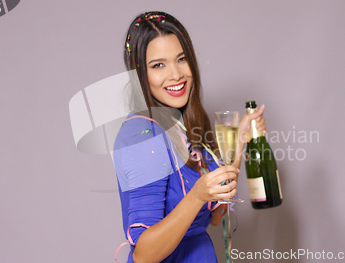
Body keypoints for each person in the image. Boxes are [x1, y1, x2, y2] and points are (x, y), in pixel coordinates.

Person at [113, 11, 267, 263]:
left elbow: (216, 217)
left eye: (181, 59)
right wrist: (197, 196)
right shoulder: (143, 137)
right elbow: (143, 255)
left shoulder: (184, 123)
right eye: (158, 65)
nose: (176, 74)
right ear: (139, 73)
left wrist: (239, 143)